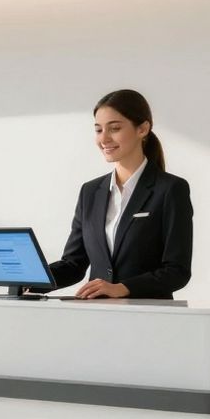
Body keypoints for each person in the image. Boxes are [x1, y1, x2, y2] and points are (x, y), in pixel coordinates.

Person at [46, 89, 193, 300]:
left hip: (149, 317)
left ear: (143, 129)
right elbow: (74, 264)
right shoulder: (90, 192)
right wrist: (31, 280)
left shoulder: (170, 189)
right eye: (98, 130)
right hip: (96, 316)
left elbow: (177, 271)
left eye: (114, 128)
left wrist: (123, 287)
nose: (104, 138)